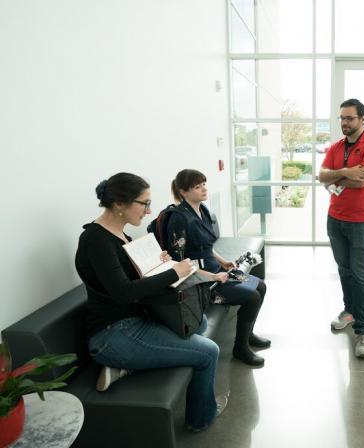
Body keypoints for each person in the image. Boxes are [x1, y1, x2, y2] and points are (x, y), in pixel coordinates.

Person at [75, 173, 226, 433]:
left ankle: (123, 367)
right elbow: (123, 292)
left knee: (198, 323)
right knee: (208, 351)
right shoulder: (96, 240)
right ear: (120, 204)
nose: (149, 211)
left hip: (133, 320)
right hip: (113, 334)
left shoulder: (121, 236)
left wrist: (158, 262)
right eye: (144, 204)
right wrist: (172, 272)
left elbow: (133, 281)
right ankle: (202, 417)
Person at [165, 169, 270, 367]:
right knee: (252, 296)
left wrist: (222, 261)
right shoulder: (179, 219)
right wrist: (213, 277)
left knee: (261, 286)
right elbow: (179, 263)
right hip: (200, 283)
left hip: (216, 272)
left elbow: (205, 246)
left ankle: (248, 334)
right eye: (197, 186)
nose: (204, 189)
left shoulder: (202, 209)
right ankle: (240, 348)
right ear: (183, 192)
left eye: (204, 183)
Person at [319, 98, 364, 359]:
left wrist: (335, 174)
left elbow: (362, 183)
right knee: (344, 270)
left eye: (350, 118)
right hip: (335, 219)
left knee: (360, 275)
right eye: (342, 118)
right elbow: (321, 175)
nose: (345, 123)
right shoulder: (336, 147)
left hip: (361, 222)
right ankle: (349, 311)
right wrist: (346, 171)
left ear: (362, 119)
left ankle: (363, 331)